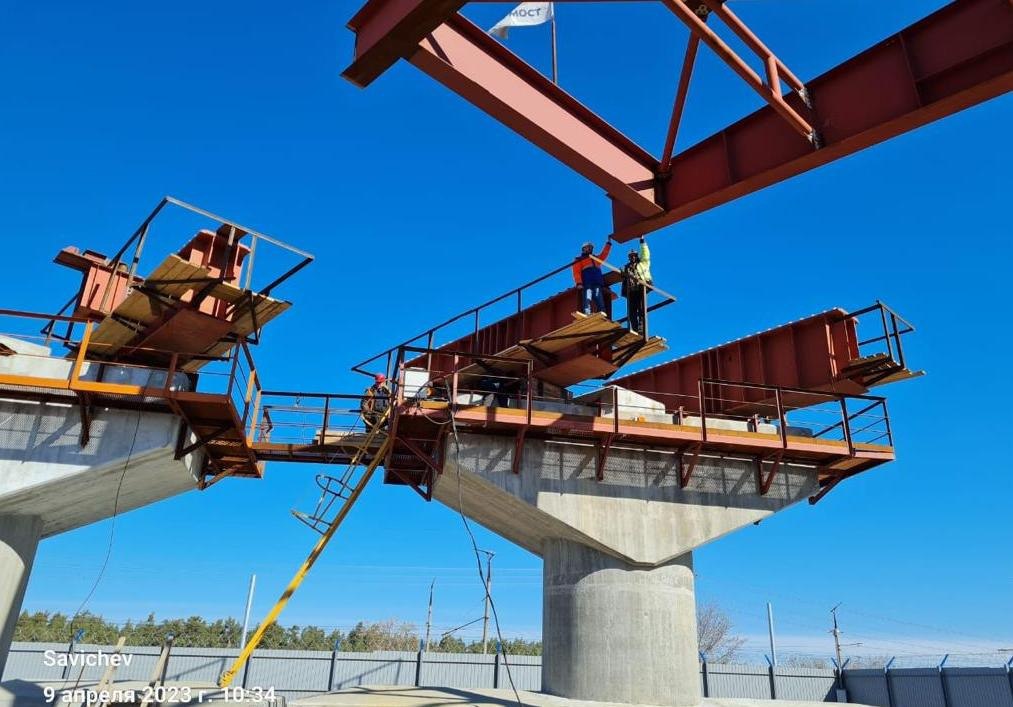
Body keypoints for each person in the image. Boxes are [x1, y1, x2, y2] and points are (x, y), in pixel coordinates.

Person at [572, 238, 612, 316]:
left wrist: (608, 244)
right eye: (587, 247)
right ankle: (587, 313)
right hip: (587, 282)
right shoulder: (579, 259)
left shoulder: (595, 258)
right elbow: (576, 272)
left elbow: (604, 254)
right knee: (587, 297)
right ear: (583, 249)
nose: (589, 249)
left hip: (597, 282)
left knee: (598, 297)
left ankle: (602, 313)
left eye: (590, 248)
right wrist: (579, 283)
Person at [621, 236, 652, 336]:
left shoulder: (643, 263)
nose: (633, 257)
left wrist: (642, 241)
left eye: (634, 255)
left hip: (640, 288)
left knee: (641, 310)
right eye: (631, 256)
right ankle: (635, 331)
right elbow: (623, 278)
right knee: (632, 313)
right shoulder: (626, 267)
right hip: (631, 291)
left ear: (637, 256)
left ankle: (641, 330)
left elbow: (645, 254)